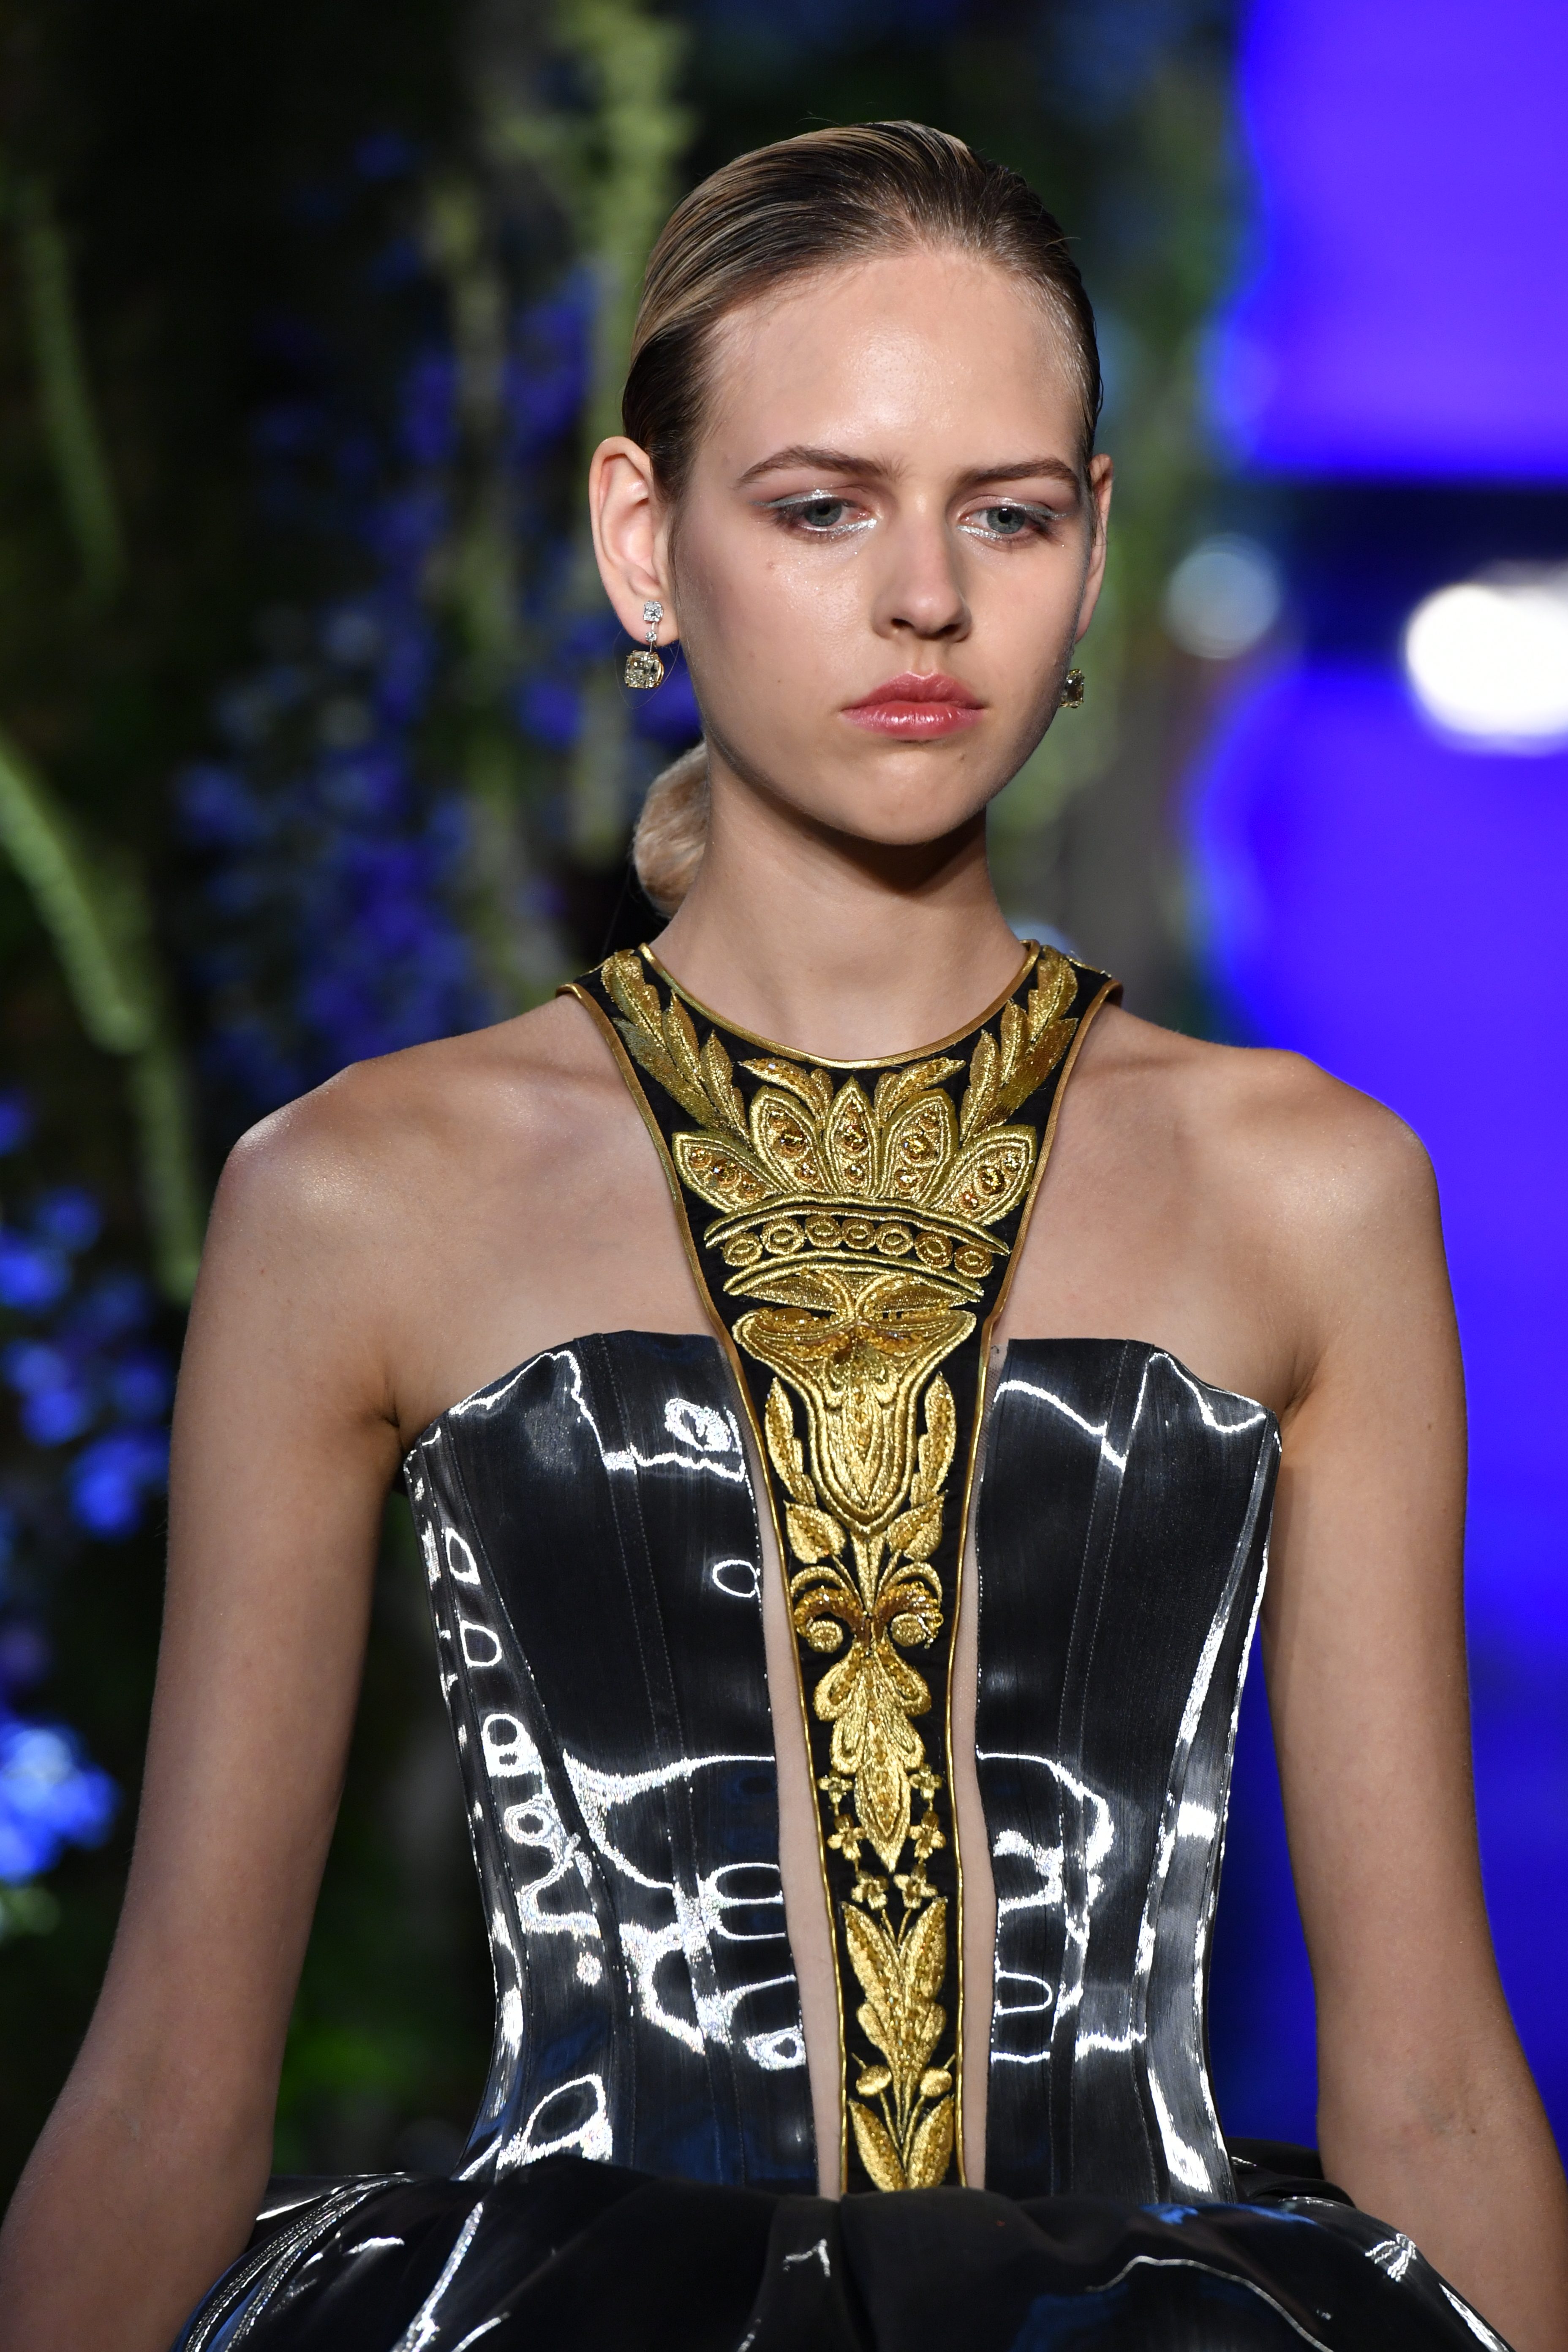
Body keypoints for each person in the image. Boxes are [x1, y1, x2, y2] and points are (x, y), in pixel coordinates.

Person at [0, 120, 1564, 2352]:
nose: (924, 599)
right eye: (823, 506)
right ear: (645, 543)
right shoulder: (360, 1198)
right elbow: (172, 2078)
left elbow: (1431, 2083)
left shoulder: (1307, 1189)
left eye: (1004, 514)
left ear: (1091, 549)